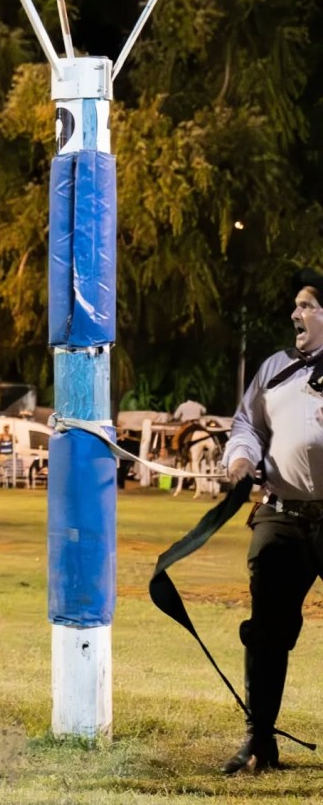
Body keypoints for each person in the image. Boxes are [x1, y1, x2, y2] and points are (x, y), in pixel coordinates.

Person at [219, 267, 323, 775]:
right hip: (281, 515)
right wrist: (240, 460)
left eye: (306, 305)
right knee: (266, 633)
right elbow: (247, 425)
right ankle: (260, 741)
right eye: (296, 305)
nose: (295, 314)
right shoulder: (277, 368)